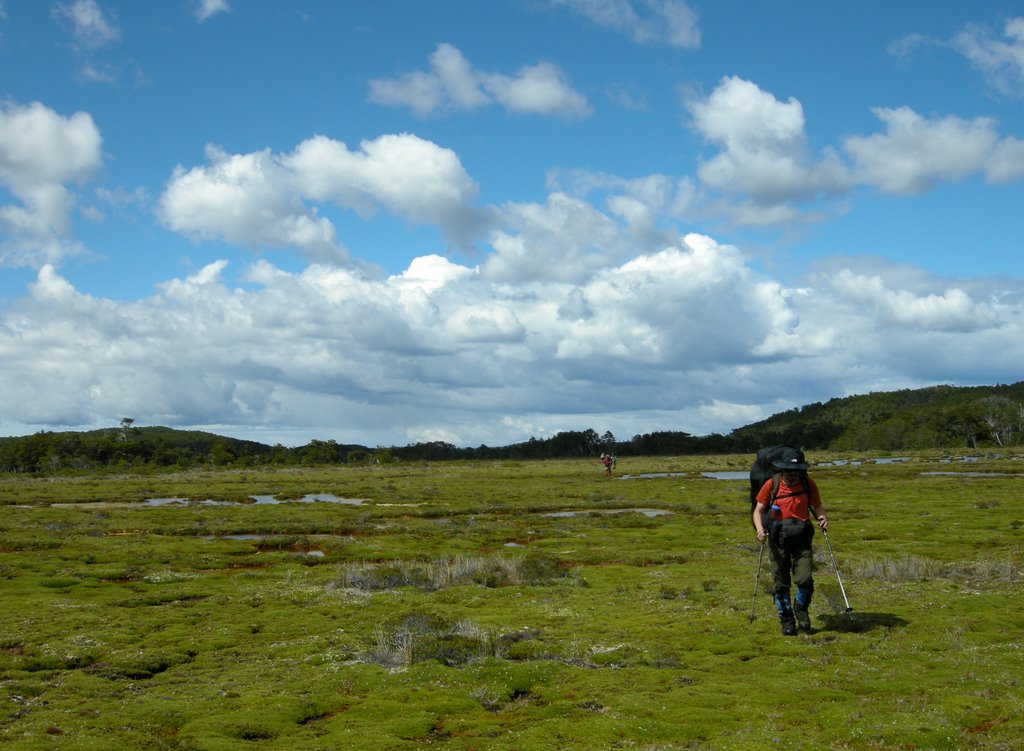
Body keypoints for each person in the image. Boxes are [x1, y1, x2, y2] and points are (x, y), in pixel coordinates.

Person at [751, 449, 829, 635]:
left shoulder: (807, 483)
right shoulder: (772, 484)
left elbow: (817, 506)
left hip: (802, 539)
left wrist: (823, 517)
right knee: (781, 583)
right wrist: (760, 530)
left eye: (795, 470)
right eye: (789, 471)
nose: (792, 474)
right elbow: (758, 510)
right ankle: (787, 620)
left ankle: (801, 610)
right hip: (778, 540)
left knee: (804, 579)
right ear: (782, 470)